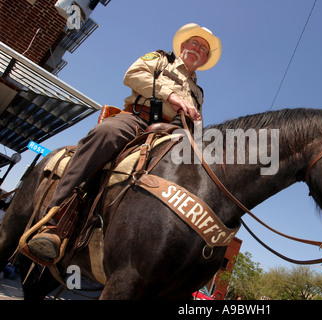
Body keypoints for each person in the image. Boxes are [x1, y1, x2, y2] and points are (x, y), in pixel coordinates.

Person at [26, 23, 222, 262]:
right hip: (139, 120)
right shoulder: (161, 60)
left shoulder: (199, 92)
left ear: (204, 60)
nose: (197, 48)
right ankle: (54, 220)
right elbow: (133, 75)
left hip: (174, 138)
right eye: (193, 42)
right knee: (105, 134)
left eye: (202, 48)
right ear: (183, 46)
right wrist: (170, 96)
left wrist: (197, 126)